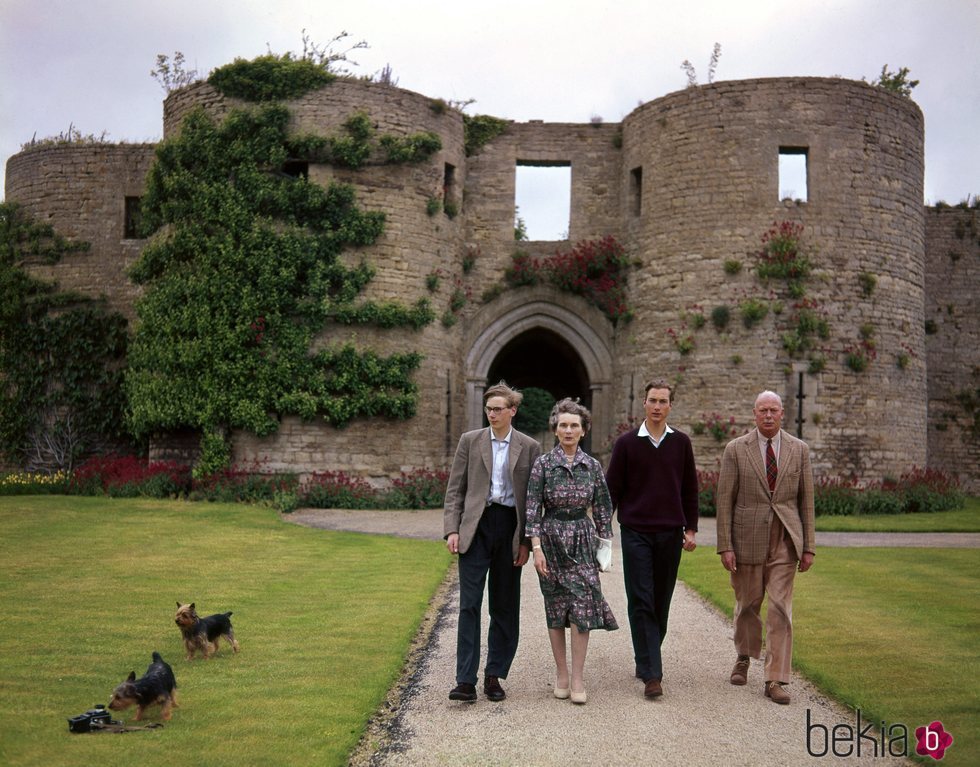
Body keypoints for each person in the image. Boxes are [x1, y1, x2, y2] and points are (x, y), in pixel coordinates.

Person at [443, 381, 542, 703]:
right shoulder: (470, 441)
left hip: (510, 528)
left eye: (498, 409)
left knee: (504, 606)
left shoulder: (529, 447)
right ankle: (465, 680)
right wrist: (452, 529)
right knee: (469, 605)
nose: (492, 414)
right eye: (488, 409)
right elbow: (455, 489)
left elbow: (533, 500)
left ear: (512, 411)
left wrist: (527, 542)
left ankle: (494, 675)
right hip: (476, 527)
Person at [715, 390, 815, 705]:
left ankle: (775, 679)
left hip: (786, 539)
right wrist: (725, 546)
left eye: (773, 410)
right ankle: (744, 656)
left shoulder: (800, 450)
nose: (768, 415)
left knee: (781, 609)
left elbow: (807, 502)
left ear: (781, 413)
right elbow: (724, 501)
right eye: (763, 410)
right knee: (747, 604)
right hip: (746, 539)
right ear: (754, 414)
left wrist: (808, 546)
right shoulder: (735, 450)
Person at [605, 379, 698, 699]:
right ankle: (653, 674)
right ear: (643, 404)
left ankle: (645, 657)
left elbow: (689, 489)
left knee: (661, 602)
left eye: (663, 401)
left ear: (670, 405)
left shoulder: (681, 443)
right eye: (652, 401)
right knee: (641, 598)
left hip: (670, 533)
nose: (657, 406)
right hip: (635, 532)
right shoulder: (626, 444)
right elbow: (612, 490)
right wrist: (603, 528)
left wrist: (691, 529)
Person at [526, 398, 618, 705]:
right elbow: (532, 510)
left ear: (583, 430)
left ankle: (578, 677)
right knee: (555, 608)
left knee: (582, 607)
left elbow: (603, 508)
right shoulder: (542, 464)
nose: (568, 430)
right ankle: (562, 673)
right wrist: (536, 548)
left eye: (574, 426)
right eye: (563, 425)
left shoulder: (592, 467)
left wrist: (605, 547)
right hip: (550, 540)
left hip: (581, 538)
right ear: (555, 429)